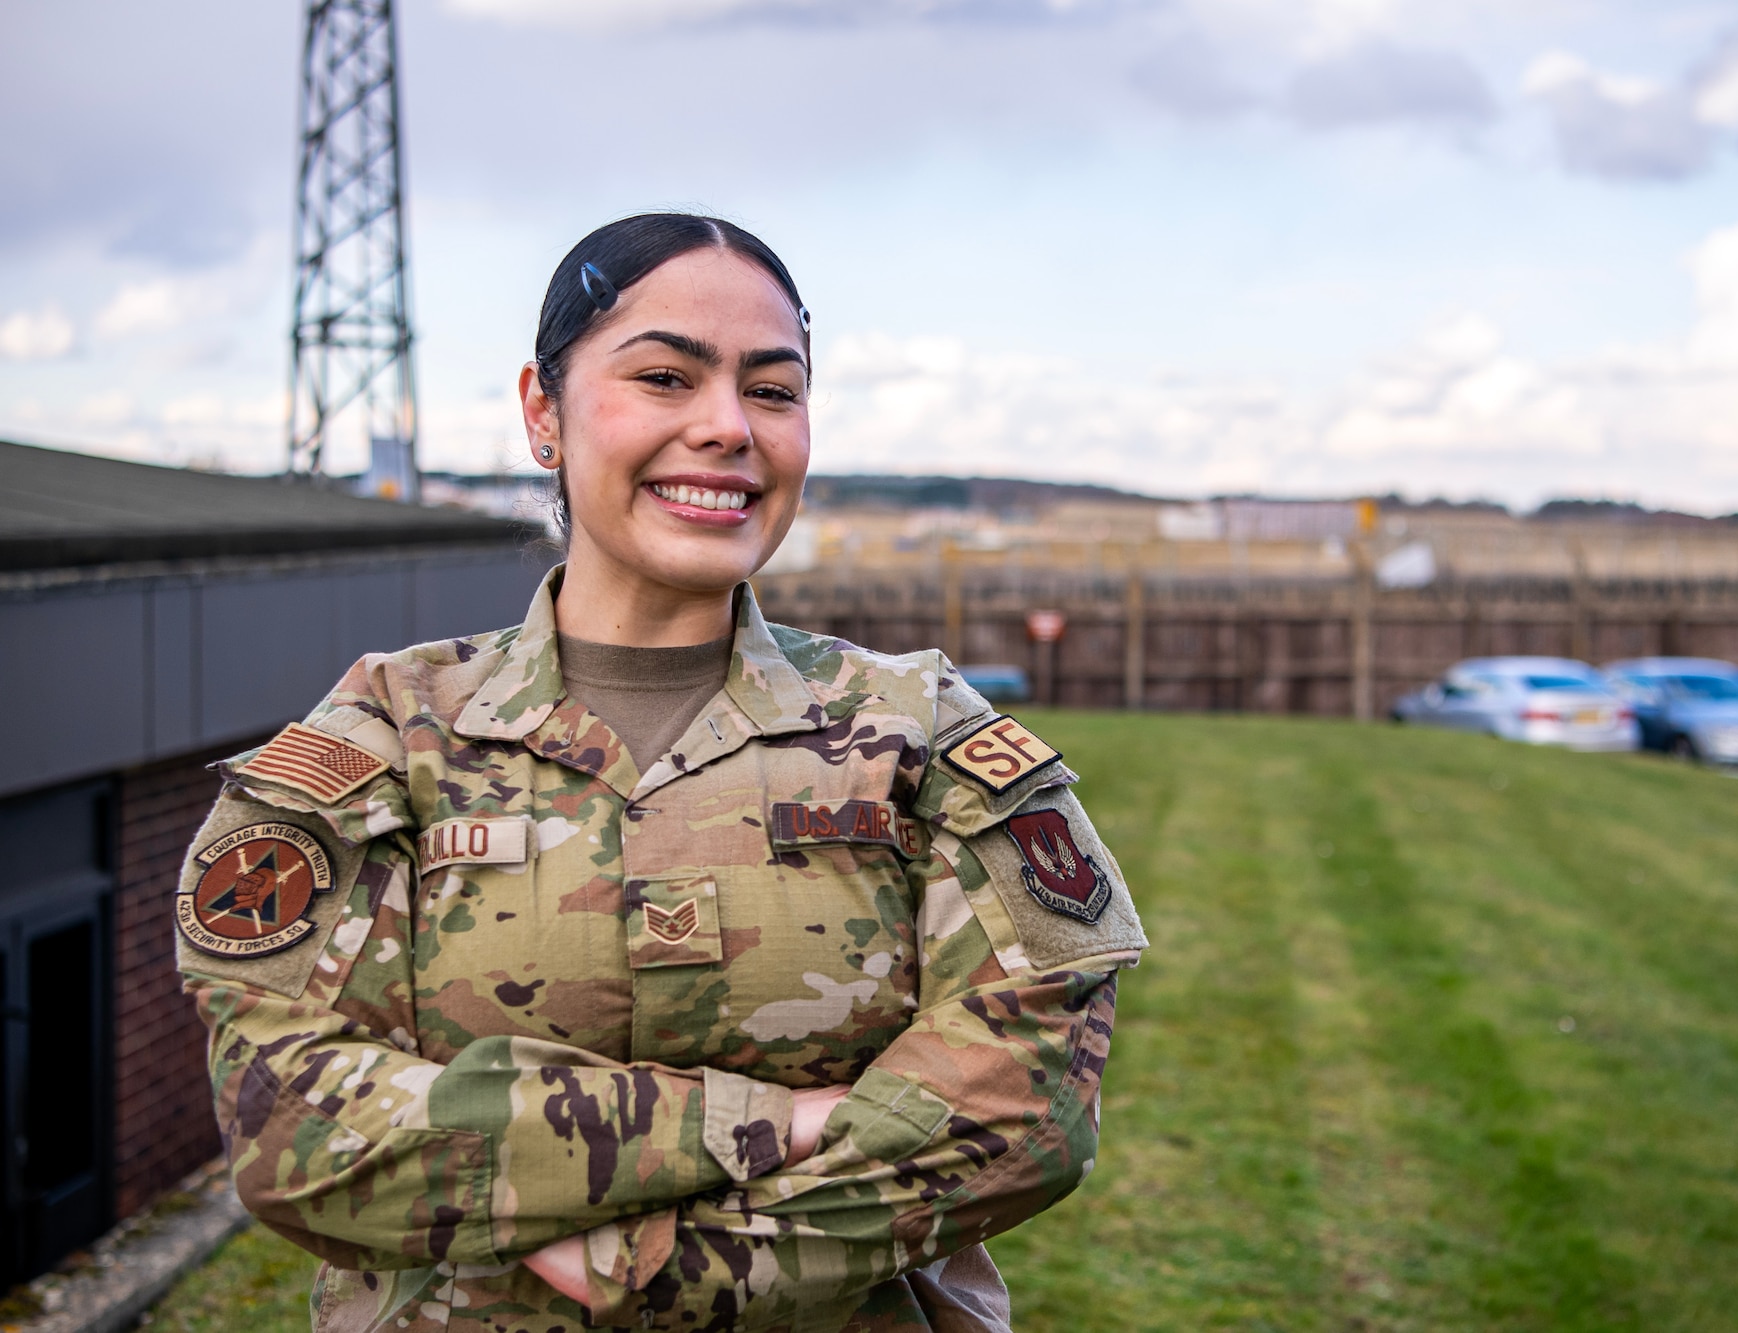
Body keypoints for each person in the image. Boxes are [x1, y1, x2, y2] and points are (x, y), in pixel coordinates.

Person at [175, 212, 1148, 1332]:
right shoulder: (389, 737)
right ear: (543, 412)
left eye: (772, 391)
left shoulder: (916, 730)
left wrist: (654, 1263)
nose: (726, 427)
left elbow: (1024, 1103)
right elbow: (296, 1129)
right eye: (665, 376)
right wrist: (761, 1124)